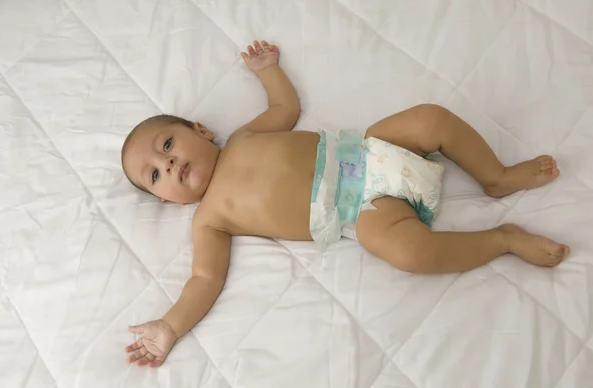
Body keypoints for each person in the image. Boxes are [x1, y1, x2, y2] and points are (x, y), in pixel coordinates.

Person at [121, 40, 569, 367]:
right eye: (156, 174)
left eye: (167, 144)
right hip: (366, 211)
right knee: (408, 252)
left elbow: (285, 105)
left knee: (429, 117)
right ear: (165, 199)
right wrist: (170, 326)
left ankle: (497, 177)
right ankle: (503, 240)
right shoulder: (209, 221)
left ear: (200, 130)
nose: (170, 162)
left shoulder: (243, 137)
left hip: (370, 149)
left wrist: (266, 70)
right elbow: (204, 278)